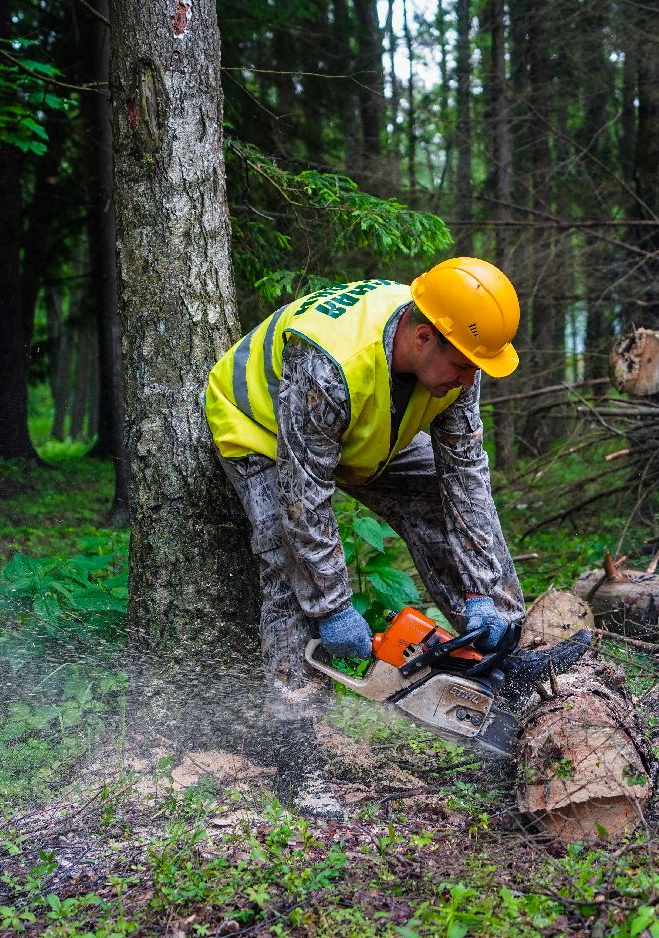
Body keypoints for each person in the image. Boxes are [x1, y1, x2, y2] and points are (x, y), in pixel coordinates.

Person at [204, 258, 527, 818]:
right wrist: (332, 607)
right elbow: (303, 498)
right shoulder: (330, 365)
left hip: (366, 429)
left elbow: (465, 476)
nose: (468, 379)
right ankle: (298, 759)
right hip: (267, 433)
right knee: (292, 572)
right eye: (463, 366)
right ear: (423, 337)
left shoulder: (455, 356)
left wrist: (483, 592)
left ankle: (511, 674)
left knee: (447, 516)